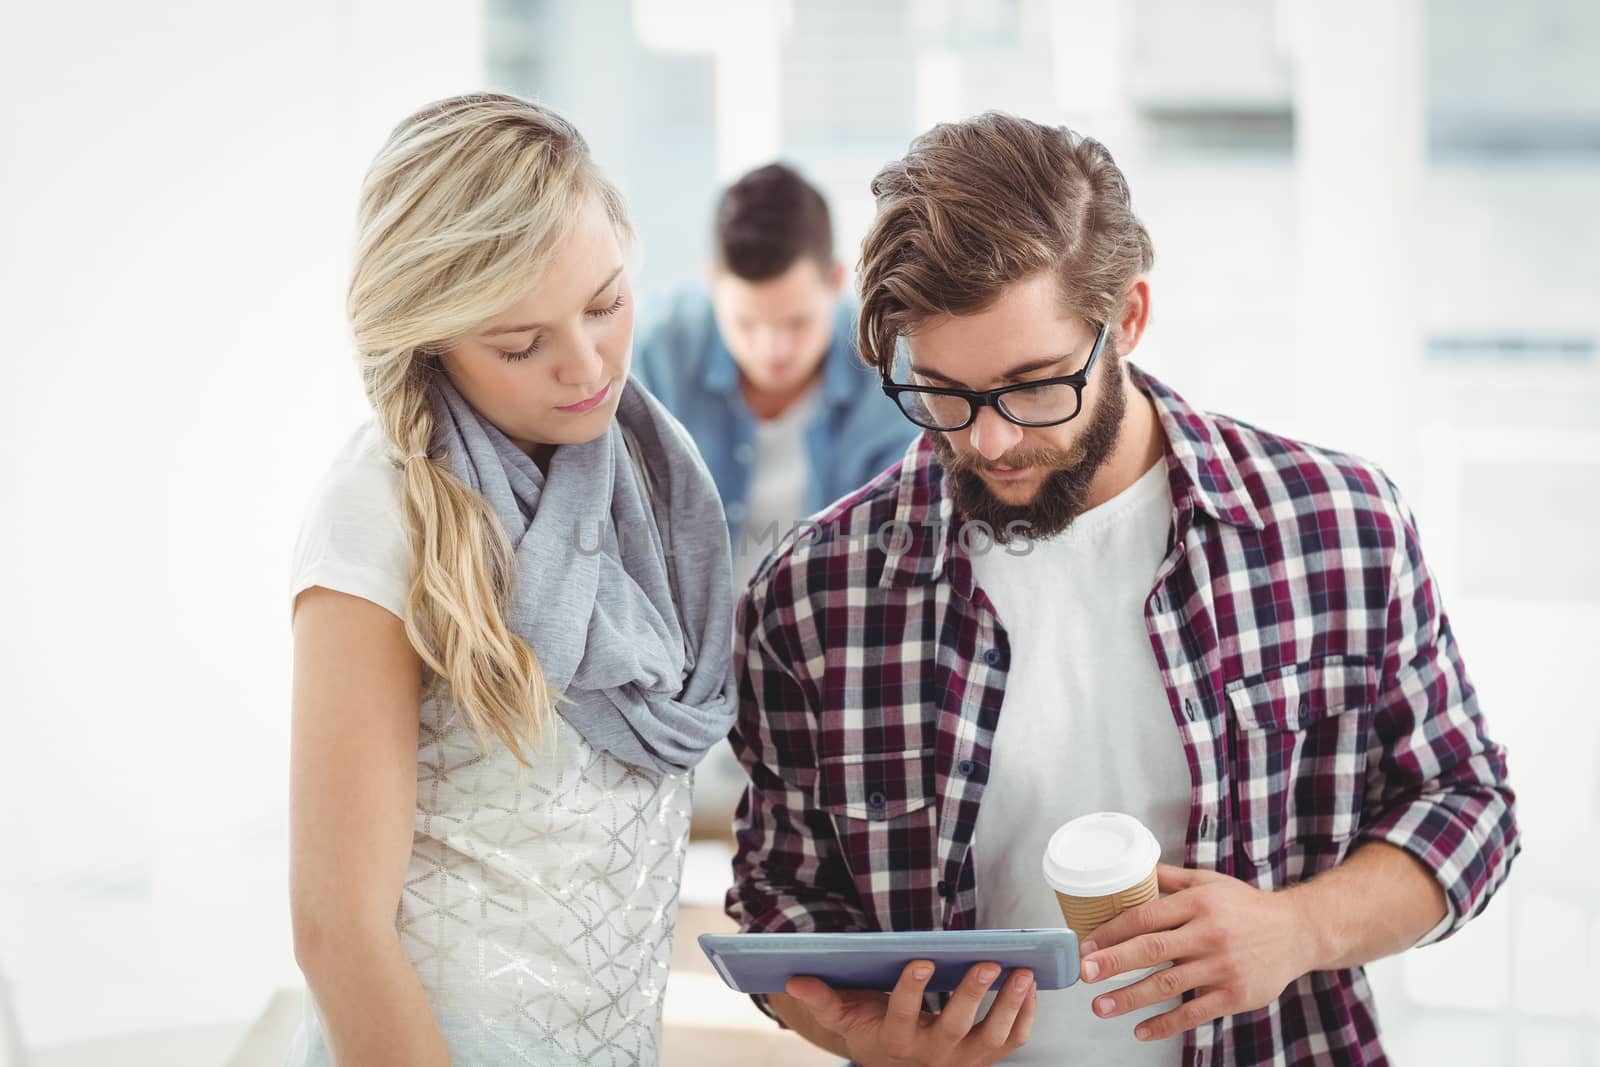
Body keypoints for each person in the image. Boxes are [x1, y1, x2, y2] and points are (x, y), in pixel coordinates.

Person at [725, 112, 1519, 1066]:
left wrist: (1299, 930)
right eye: (941, 392)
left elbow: (1469, 802)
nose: (990, 441)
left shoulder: (1338, 525)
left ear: (1128, 318)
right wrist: (866, 1037)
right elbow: (780, 897)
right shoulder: (815, 598)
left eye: (1032, 386)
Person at [285, 92, 735, 1064]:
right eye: (520, 342)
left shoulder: (654, 489)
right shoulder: (380, 511)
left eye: (606, 303)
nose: (586, 365)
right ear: (432, 336)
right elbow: (337, 930)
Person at [633, 162, 919, 591]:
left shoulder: (891, 370)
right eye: (746, 324)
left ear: (837, 281)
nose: (772, 350)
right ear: (713, 283)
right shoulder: (658, 352)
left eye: (796, 323)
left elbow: (898, 545)